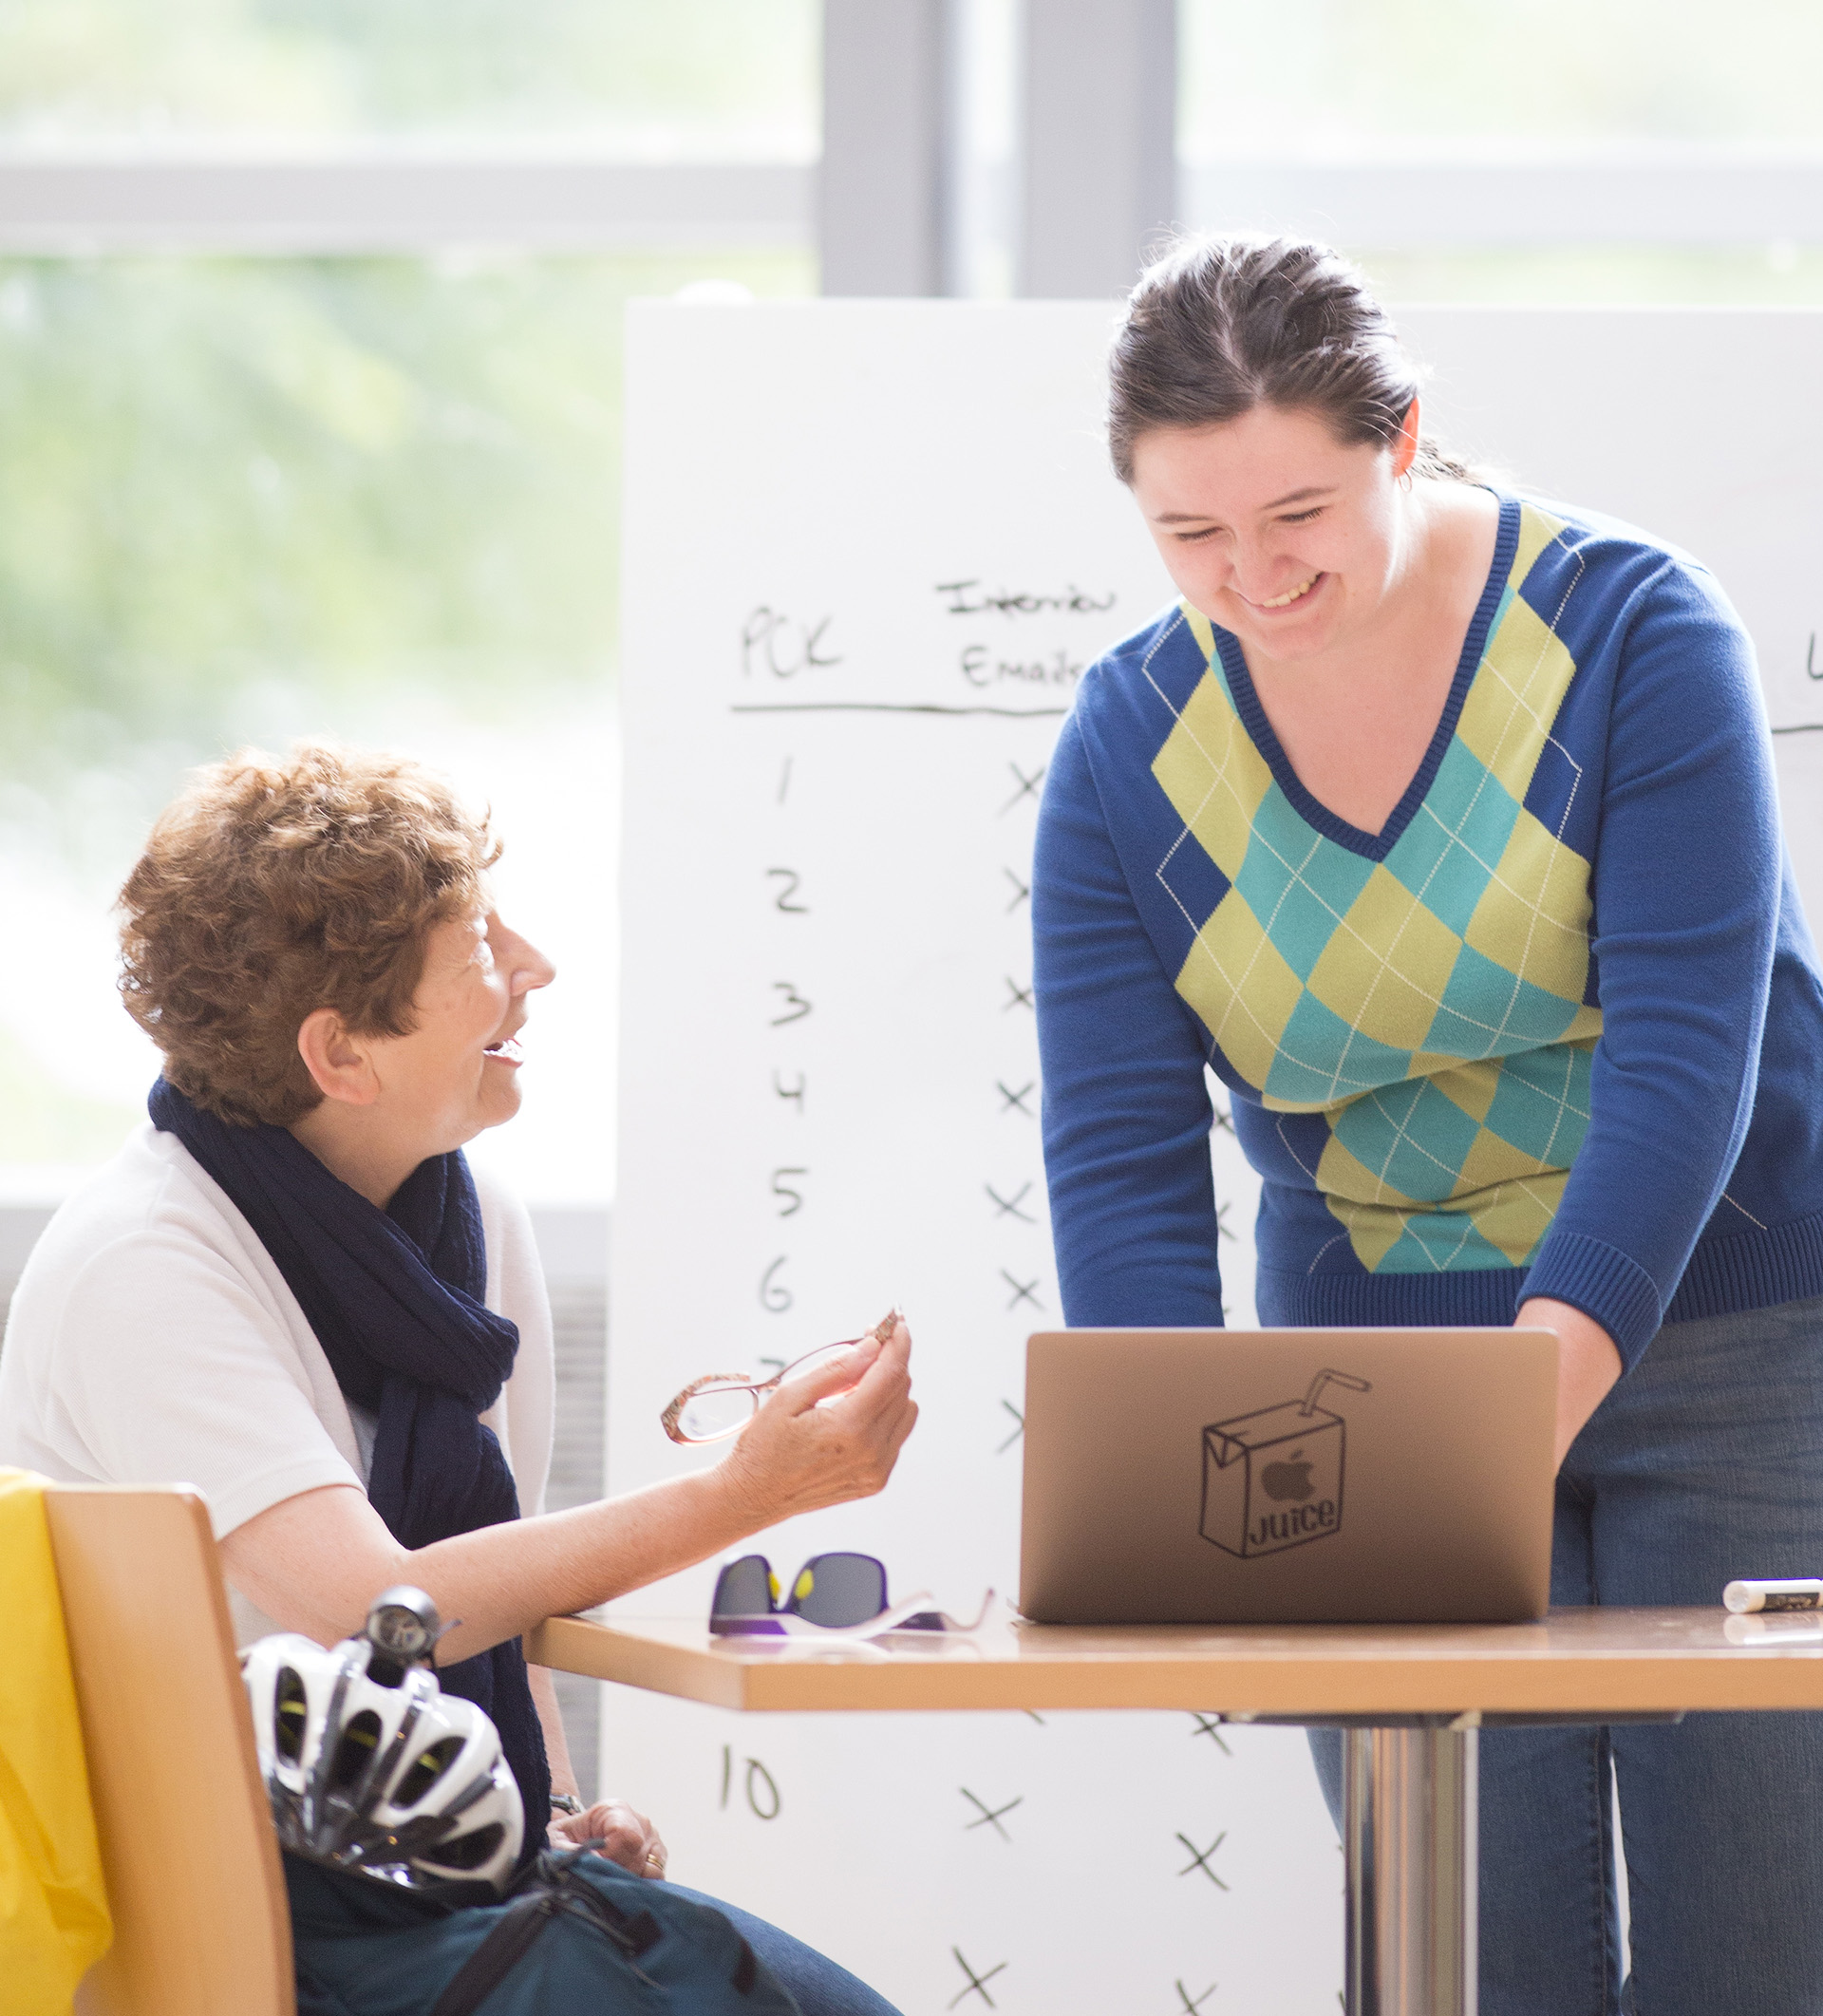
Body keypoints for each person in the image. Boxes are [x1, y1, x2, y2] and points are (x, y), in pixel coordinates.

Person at [1032, 233, 1823, 2016]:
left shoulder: (1632, 633)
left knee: (1761, 1952)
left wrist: (1525, 1397)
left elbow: (1689, 1051)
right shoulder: (1126, 746)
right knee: (1471, 1962)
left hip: (1735, 1331)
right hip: (1366, 1380)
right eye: (1191, 536)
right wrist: (1175, 1498)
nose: (1254, 575)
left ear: (1403, 439)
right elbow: (1122, 1155)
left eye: (1298, 512)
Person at [0, 743, 915, 2016]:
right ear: (343, 1056)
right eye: (483, 950)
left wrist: (552, 1809)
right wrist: (741, 1495)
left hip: (438, 1874)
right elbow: (374, 1602)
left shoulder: (471, 1217)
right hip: (257, 1909)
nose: (532, 971)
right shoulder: (144, 1264)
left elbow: (493, 1574)